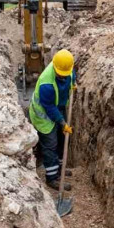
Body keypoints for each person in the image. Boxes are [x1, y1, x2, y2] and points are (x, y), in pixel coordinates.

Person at [29, 50, 76, 191]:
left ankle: (60, 168)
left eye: (65, 74)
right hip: (43, 115)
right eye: (60, 75)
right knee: (51, 145)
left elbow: (71, 75)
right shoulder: (46, 84)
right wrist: (62, 122)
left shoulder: (67, 68)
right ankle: (52, 177)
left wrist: (72, 83)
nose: (63, 77)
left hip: (58, 107)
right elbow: (49, 108)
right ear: (55, 68)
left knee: (62, 139)